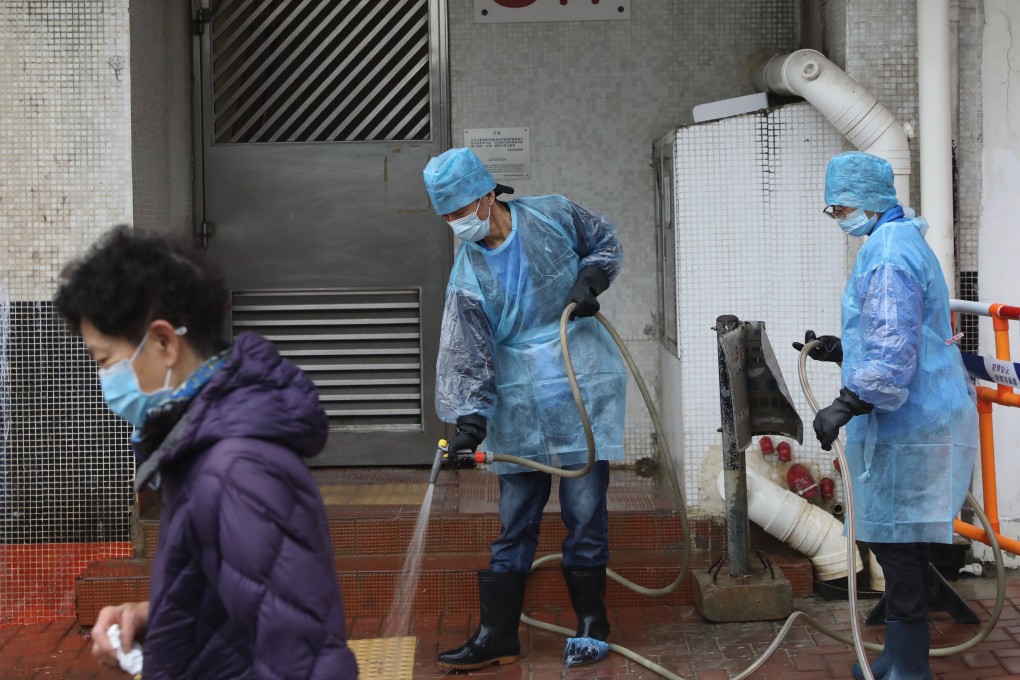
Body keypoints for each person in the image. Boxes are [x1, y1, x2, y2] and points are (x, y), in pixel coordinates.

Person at [54, 227, 358, 680]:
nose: (105, 381)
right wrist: (155, 615)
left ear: (163, 343)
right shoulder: (201, 447)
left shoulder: (234, 471)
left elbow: (305, 662)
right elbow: (242, 597)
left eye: (104, 360)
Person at [422, 148, 627, 670]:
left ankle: (592, 626)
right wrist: (470, 421)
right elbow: (468, 353)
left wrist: (591, 281)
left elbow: (603, 242)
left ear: (488, 194)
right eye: (446, 215)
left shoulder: (553, 215)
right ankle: (498, 635)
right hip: (517, 402)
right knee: (515, 521)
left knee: (584, 514)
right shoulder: (467, 278)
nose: (456, 222)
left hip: (580, 380)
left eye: (461, 209)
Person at [795, 151, 977, 680]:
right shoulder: (896, 240)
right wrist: (840, 351)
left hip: (910, 422)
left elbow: (894, 351)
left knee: (897, 547)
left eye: (841, 207)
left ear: (870, 201)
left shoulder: (889, 253)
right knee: (900, 543)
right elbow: (894, 332)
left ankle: (909, 668)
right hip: (916, 414)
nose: (838, 218)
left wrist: (846, 404)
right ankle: (900, 657)